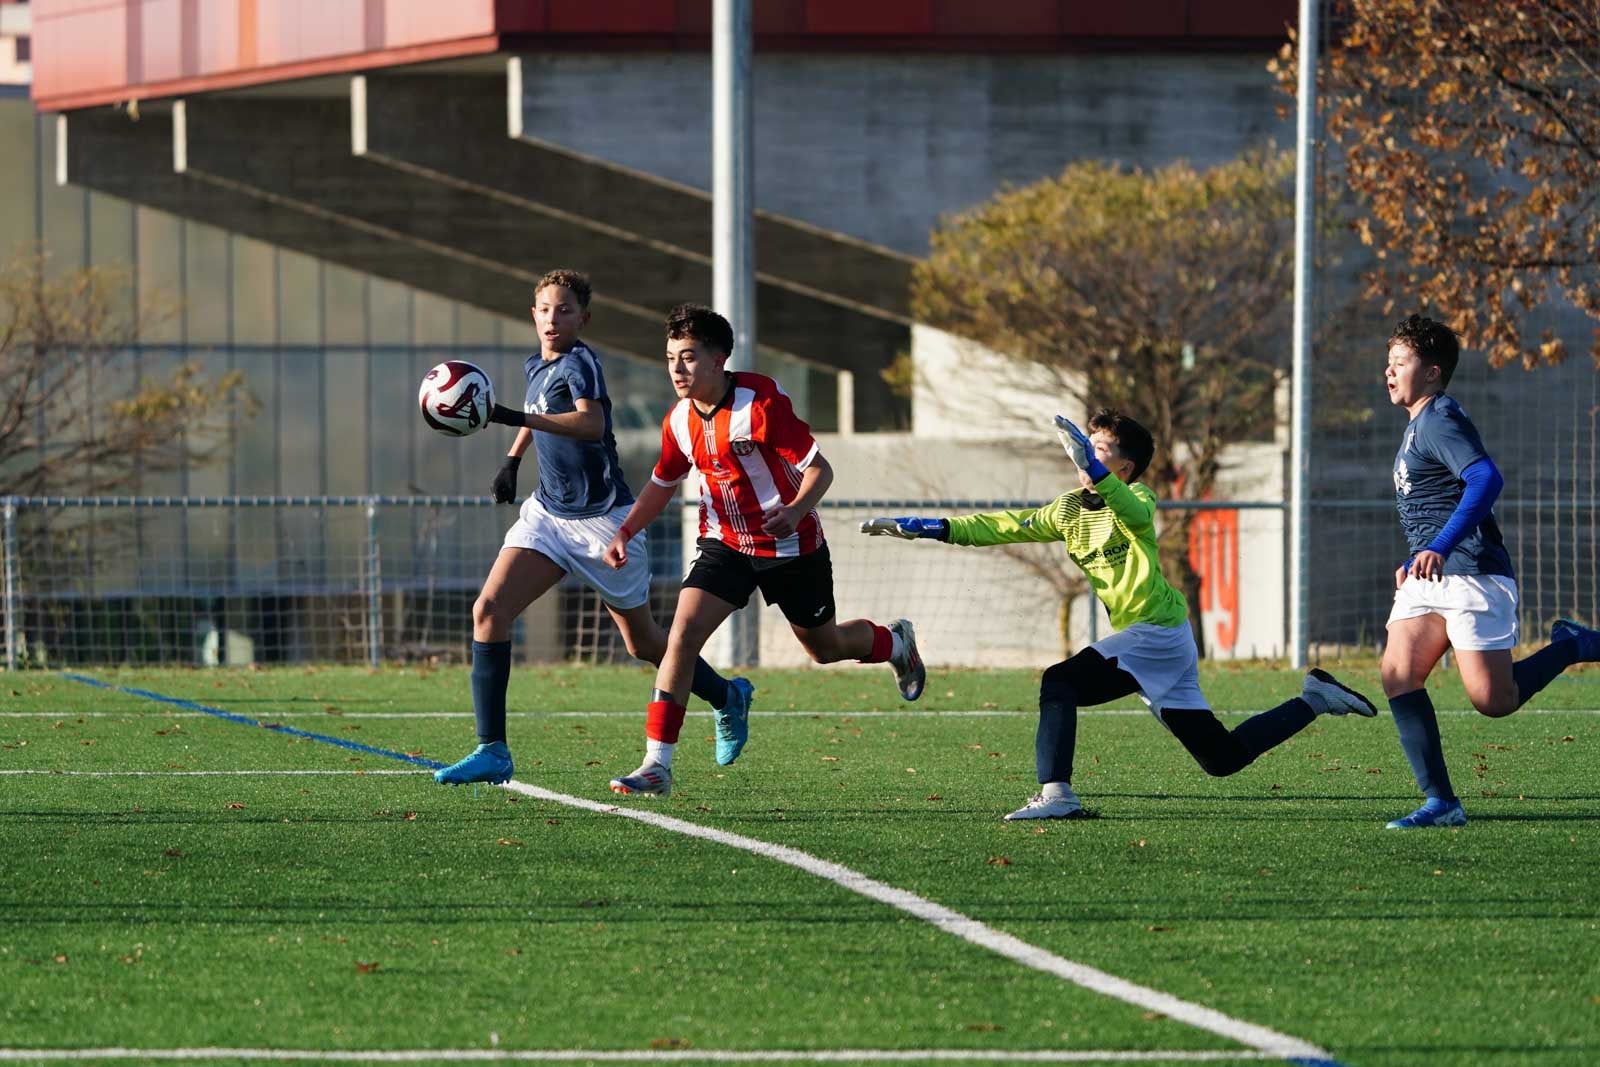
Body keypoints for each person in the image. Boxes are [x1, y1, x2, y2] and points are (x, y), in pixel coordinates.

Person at [861, 408, 1379, 821]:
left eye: (1097, 448)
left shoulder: (1136, 497)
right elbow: (1001, 526)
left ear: (1122, 467)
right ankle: (1314, 700)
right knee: (1221, 759)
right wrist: (925, 527)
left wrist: (1093, 467)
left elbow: (1132, 513)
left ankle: (1056, 793)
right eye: (1084, 444)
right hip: (1157, 642)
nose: (1081, 453)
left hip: (1155, 632)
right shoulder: (1068, 509)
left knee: (1058, 682)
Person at [433, 271, 753, 787]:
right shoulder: (535, 364)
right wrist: (513, 460)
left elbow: (591, 424)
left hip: (604, 521)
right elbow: (538, 415)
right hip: (548, 515)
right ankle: (492, 749)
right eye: (544, 309)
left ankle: (727, 695)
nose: (553, 319)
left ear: (583, 318)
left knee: (646, 644)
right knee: (488, 611)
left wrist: (512, 416)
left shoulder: (582, 362)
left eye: (564, 310)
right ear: (532, 313)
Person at [602, 303, 924, 797]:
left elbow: (821, 470)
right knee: (681, 638)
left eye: (688, 357)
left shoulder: (761, 403)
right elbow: (663, 482)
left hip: (792, 546)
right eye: (670, 358)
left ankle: (895, 643)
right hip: (724, 545)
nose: (677, 369)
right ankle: (656, 765)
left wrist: (793, 511)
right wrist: (626, 531)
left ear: (718, 359)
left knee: (825, 647)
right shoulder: (678, 420)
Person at [1378, 313, 1600, 828]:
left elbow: (1485, 479)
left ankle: (1572, 645)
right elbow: (1435, 502)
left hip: (1472, 572)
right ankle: (1441, 803)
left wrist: (1439, 545)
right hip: (1429, 577)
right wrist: (1417, 557)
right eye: (1387, 363)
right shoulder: (1418, 425)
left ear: (1432, 372)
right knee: (1398, 675)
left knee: (1493, 701)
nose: (1389, 372)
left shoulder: (1440, 418)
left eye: (1401, 363)